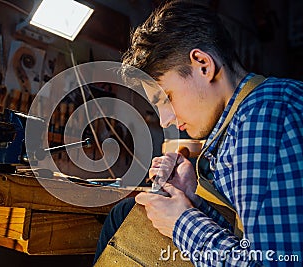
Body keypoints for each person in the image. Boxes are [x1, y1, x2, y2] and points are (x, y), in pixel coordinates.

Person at [93, 1, 303, 266]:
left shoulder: (263, 116)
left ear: (203, 65)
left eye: (166, 98)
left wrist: (182, 222)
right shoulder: (246, 118)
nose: (166, 119)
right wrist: (192, 198)